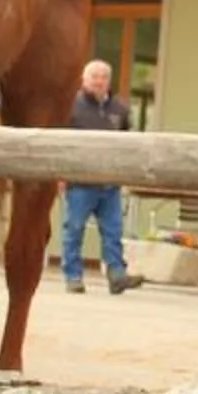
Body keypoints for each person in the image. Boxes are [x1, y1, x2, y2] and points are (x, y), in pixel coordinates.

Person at [61, 59, 140, 294]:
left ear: (109, 81)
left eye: (104, 77)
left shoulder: (120, 109)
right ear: (84, 80)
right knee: (74, 230)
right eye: (94, 76)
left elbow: (129, 143)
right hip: (79, 182)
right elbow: (60, 142)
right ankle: (73, 276)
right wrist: (60, 175)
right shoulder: (70, 107)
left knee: (114, 232)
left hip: (110, 184)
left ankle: (117, 275)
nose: (99, 81)